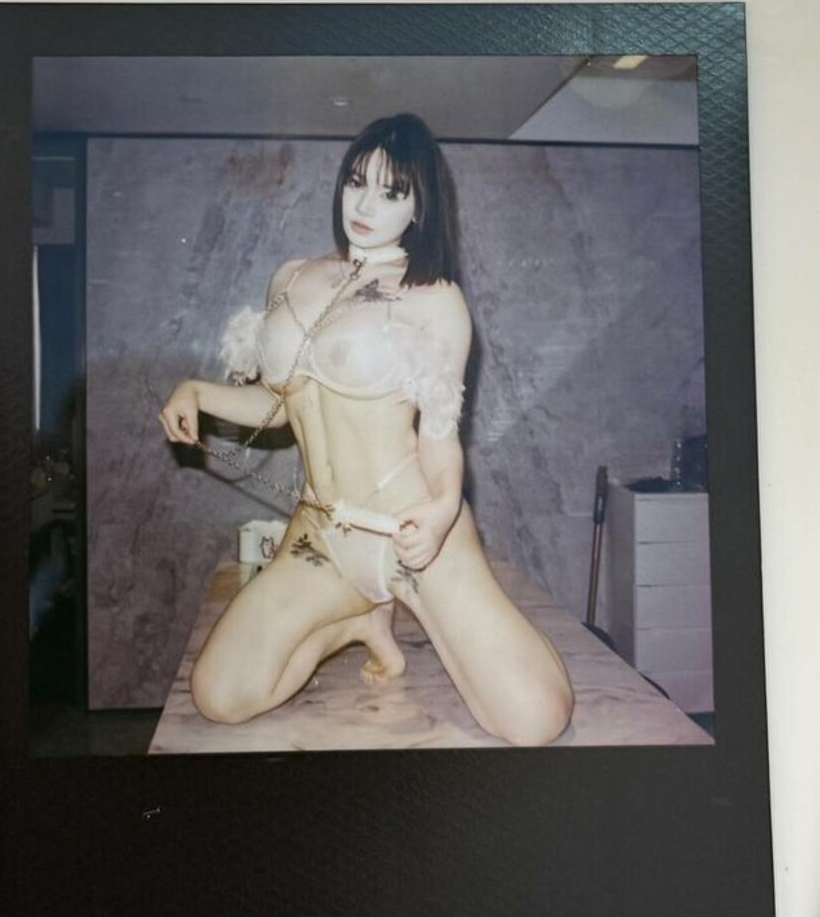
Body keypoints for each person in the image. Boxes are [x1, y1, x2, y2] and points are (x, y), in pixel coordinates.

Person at [159, 113, 573, 746]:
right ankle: (358, 620)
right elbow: (278, 401)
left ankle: (453, 610)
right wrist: (196, 392)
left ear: (419, 206)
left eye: (390, 191)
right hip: (320, 534)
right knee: (219, 695)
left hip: (410, 530)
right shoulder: (292, 277)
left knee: (538, 720)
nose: (365, 204)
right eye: (357, 182)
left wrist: (440, 511)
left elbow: (440, 434)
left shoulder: (435, 298)